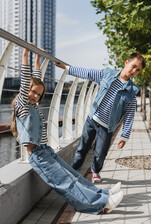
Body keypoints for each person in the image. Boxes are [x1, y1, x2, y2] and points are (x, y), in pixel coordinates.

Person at [11, 47, 124, 215]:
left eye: (39, 95)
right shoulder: (23, 106)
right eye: (33, 92)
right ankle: (101, 205)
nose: (35, 96)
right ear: (25, 91)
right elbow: (27, 81)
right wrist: (26, 54)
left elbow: (35, 80)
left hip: (45, 150)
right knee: (66, 182)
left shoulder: (32, 105)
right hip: (37, 155)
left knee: (73, 175)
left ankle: (102, 194)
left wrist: (38, 60)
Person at [54, 53, 146, 183]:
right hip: (92, 120)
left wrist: (124, 136)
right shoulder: (107, 74)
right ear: (126, 63)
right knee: (81, 149)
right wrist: (67, 68)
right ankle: (73, 172)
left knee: (100, 154)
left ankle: (95, 171)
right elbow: (88, 73)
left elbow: (129, 115)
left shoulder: (132, 91)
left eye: (138, 70)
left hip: (108, 126)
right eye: (133, 66)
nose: (134, 71)